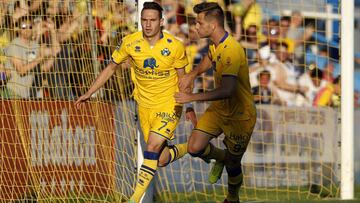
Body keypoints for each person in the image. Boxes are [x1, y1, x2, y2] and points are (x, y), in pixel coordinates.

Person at [74, 2, 196, 203]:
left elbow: (184, 79)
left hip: (169, 104)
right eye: (144, 20)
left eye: (152, 20)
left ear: (161, 22)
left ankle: (134, 198)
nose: (148, 25)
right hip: (144, 106)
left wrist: (189, 106)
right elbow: (111, 68)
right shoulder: (130, 43)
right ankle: (193, 147)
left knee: (152, 147)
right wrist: (90, 92)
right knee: (161, 158)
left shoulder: (174, 46)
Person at [175, 2, 257, 203]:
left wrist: (191, 98)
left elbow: (228, 90)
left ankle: (232, 197)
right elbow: (209, 58)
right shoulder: (215, 45)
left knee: (234, 164)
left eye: (199, 23)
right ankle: (221, 157)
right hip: (220, 110)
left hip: (241, 115)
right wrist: (193, 74)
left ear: (212, 26)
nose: (195, 27)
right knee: (194, 148)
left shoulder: (232, 50)